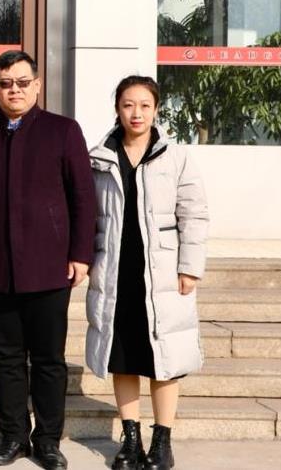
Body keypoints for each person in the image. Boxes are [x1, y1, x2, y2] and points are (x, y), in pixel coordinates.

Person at [0, 50, 96, 470]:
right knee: (7, 358)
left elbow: (83, 197)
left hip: (49, 265)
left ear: (37, 85)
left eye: (22, 82)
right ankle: (13, 436)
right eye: (6, 84)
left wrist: (81, 254)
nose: (14, 90)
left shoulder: (63, 130)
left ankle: (48, 440)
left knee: (49, 360)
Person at [86, 76, 209, 470]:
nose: (135, 113)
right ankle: (131, 441)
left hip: (162, 275)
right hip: (116, 273)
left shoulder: (176, 157)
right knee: (123, 358)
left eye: (144, 105)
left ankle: (162, 442)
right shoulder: (99, 157)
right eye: (127, 105)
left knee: (164, 358)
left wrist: (189, 268)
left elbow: (194, 214)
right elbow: (87, 216)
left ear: (156, 109)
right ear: (117, 109)